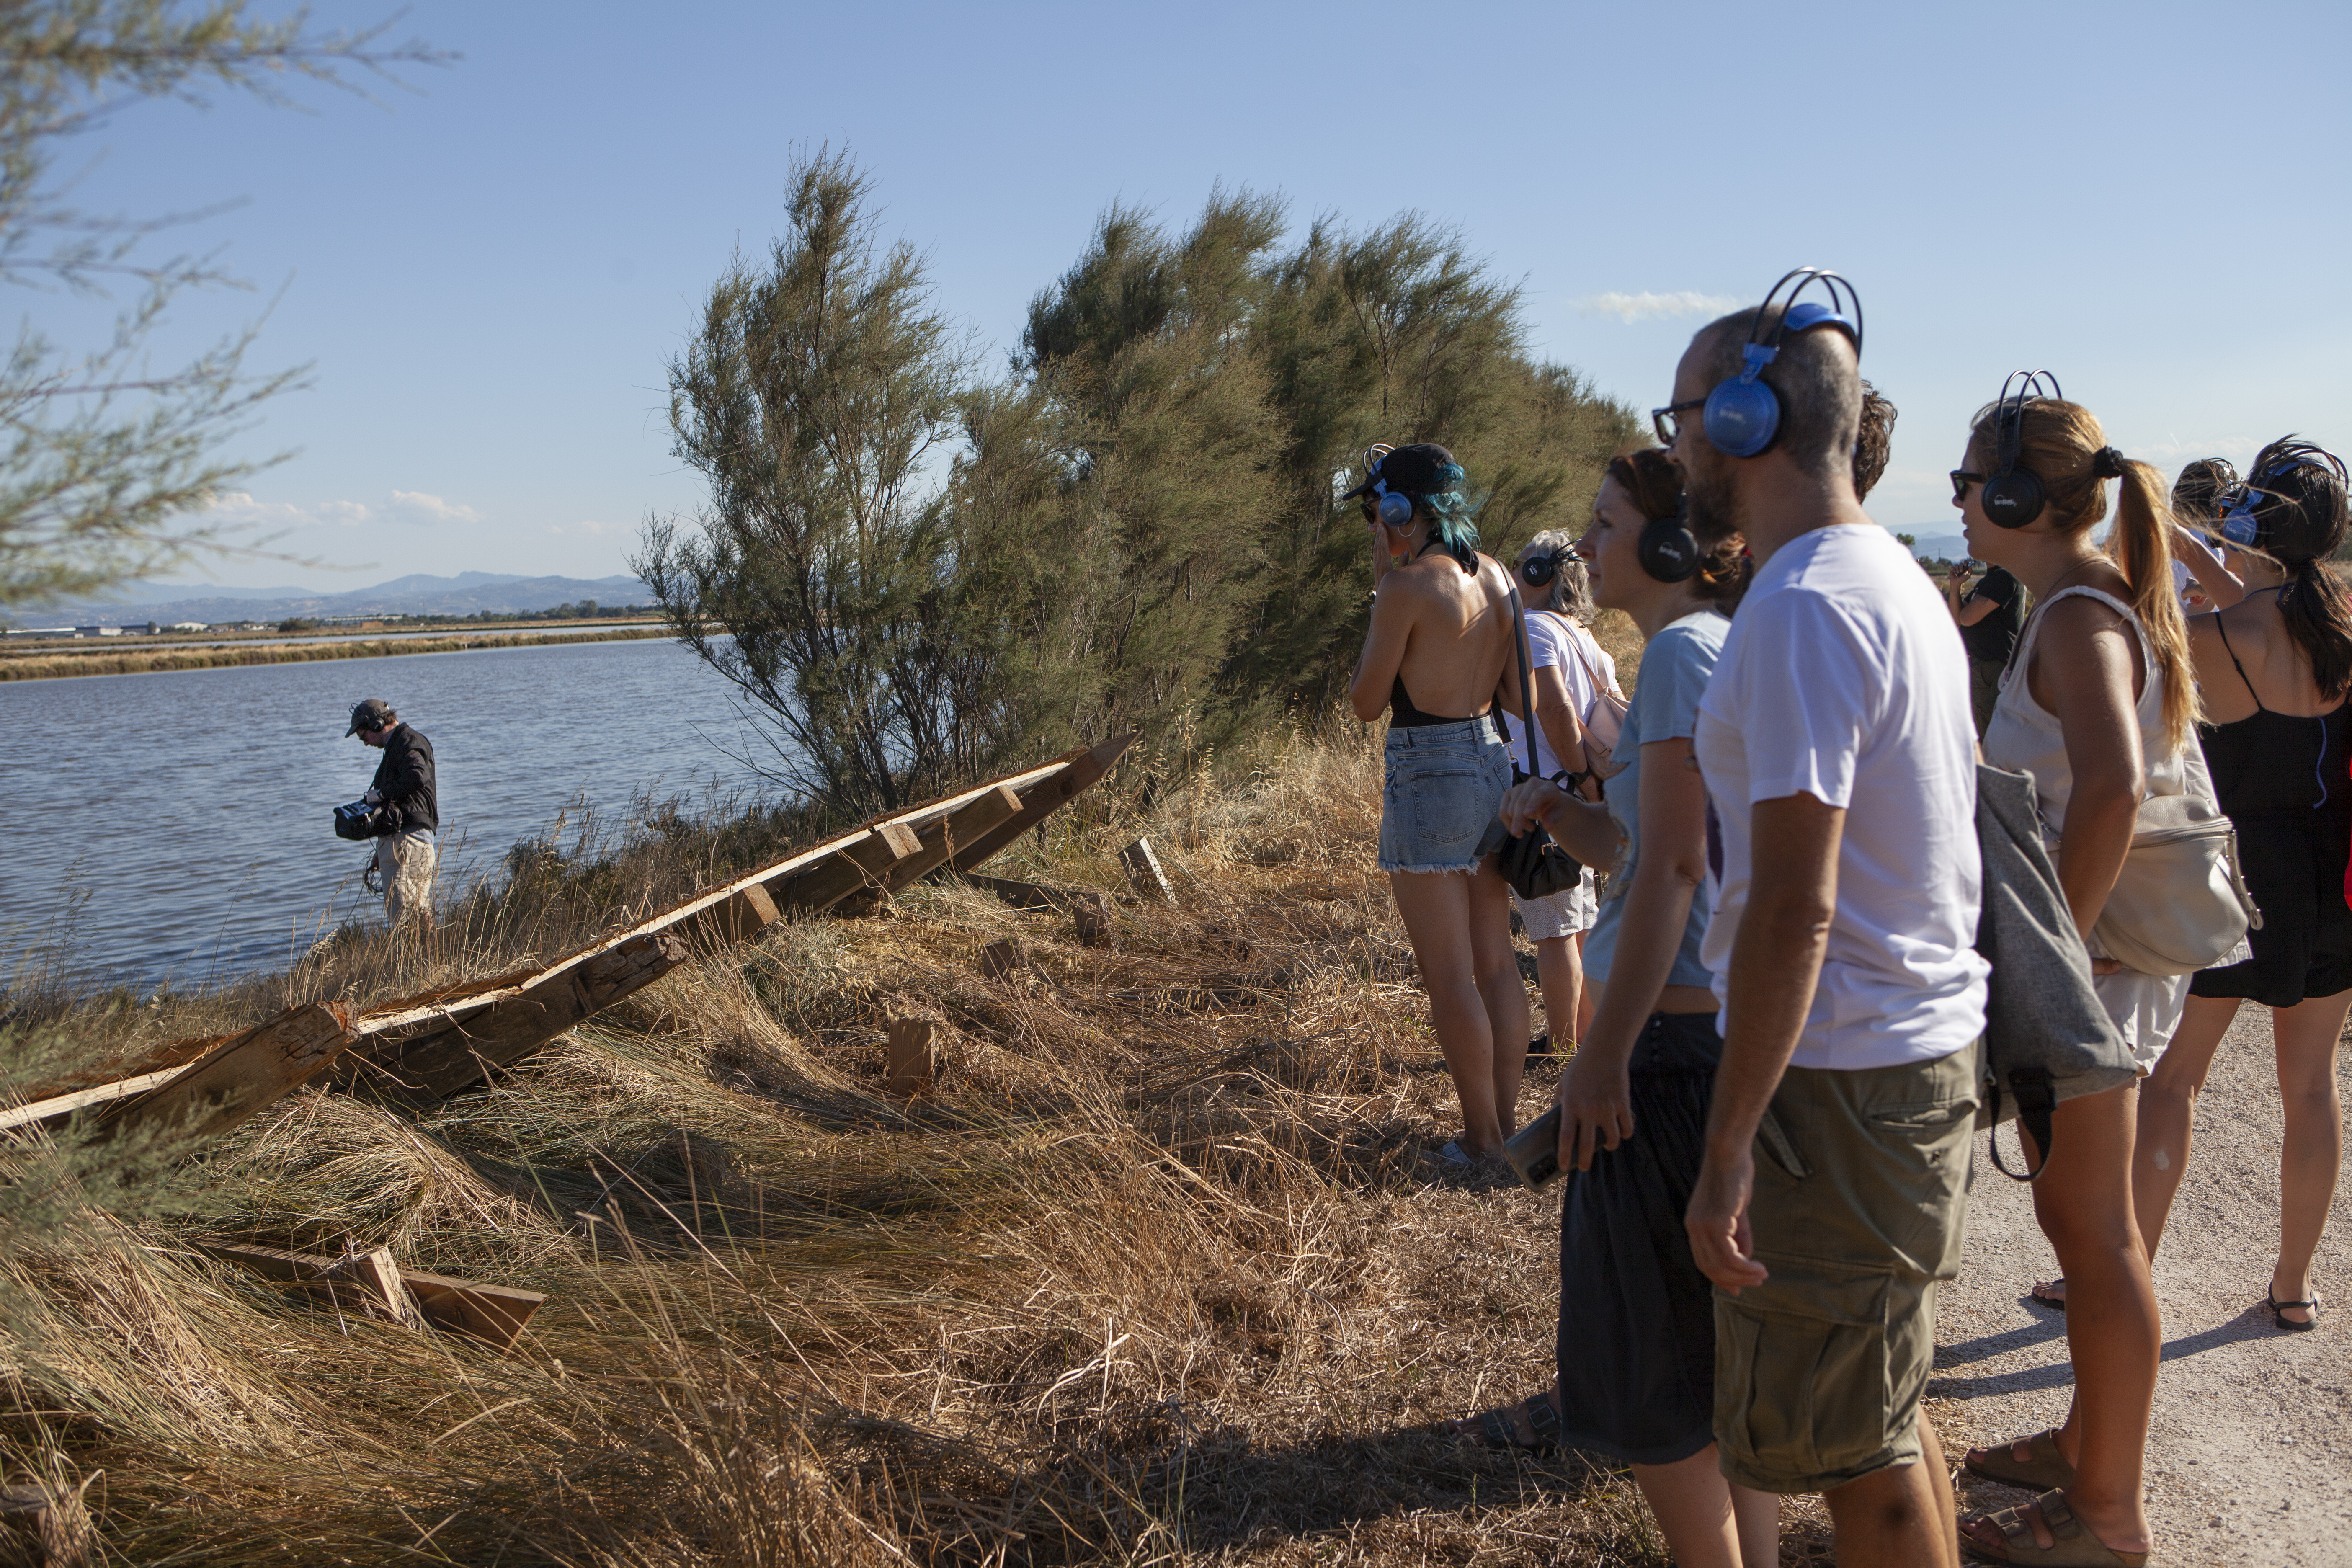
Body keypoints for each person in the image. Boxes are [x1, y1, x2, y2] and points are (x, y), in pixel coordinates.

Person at [1668, 277, 1987, 1568]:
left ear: (1744, 421)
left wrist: (1731, 1144)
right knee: (1883, 1425)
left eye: (1687, 413)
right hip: (1883, 1069)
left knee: (1854, 1457)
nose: (1678, 443)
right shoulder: (1881, 578)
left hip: (1842, 1085)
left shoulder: (1802, 610)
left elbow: (1795, 908)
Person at [1456, 445, 1777, 1568]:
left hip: (1673, 1048)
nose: (1585, 547)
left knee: (1656, 1386)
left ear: (1680, 542)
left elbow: (1679, 878)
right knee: (1718, 1367)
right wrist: (1562, 810)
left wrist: (1599, 1059)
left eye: (1605, 524)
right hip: (1700, 1032)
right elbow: (1649, 848)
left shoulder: (1687, 652)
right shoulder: (1700, 654)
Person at [1953, 391, 2187, 1565]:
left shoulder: (2080, 621)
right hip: (2083, 977)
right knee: (2088, 1231)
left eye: (1964, 483)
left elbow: (2113, 787)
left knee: (2093, 1237)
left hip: (2081, 985)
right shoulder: (2078, 606)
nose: (1954, 502)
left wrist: (2057, 962)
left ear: (2013, 497)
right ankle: (2084, 1451)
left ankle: (2108, 1516)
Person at [2134, 438, 2352, 1334]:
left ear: (2249, 520)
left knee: (2174, 1083)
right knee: (2310, 1087)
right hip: (2330, 871)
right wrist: (2188, 540)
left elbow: (2199, 616)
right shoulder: (2332, 624)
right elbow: (2264, 597)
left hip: (2239, 879)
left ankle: (2124, 1275)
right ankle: (2293, 1286)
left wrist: (2156, 523)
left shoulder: (2214, 633)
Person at [1346, 442, 1528, 1165]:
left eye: (1374, 511)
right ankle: (1506, 1127)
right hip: (1490, 757)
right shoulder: (1502, 577)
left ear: (1399, 510)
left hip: (1428, 768)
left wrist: (1379, 579)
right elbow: (1519, 696)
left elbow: (1365, 701)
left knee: (1450, 972)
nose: (1372, 524)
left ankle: (1480, 1141)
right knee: (1496, 963)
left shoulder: (1406, 587)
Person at [1499, 532, 1614, 1055]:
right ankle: (1584, 1035)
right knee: (1581, 922)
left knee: (1552, 932)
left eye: (1524, 566)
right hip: (1578, 791)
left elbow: (1556, 709)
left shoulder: (1536, 628)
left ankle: (1564, 1046)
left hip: (1550, 791)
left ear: (1542, 575)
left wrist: (1576, 778)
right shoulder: (1582, 635)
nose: (1516, 575)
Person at [348, 697, 438, 927]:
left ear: (377, 725)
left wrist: (379, 795)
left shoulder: (407, 741)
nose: (365, 743)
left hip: (406, 842)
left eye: (363, 736)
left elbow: (418, 776)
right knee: (418, 915)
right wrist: (382, 847)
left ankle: (412, 963)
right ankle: (429, 962)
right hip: (407, 841)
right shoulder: (399, 745)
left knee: (403, 922)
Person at [1947, 560, 2027, 737]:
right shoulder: (1988, 581)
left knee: (1988, 737)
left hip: (1992, 669)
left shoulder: (2005, 576)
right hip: (1984, 669)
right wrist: (1955, 587)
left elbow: (1967, 618)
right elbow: (1956, 620)